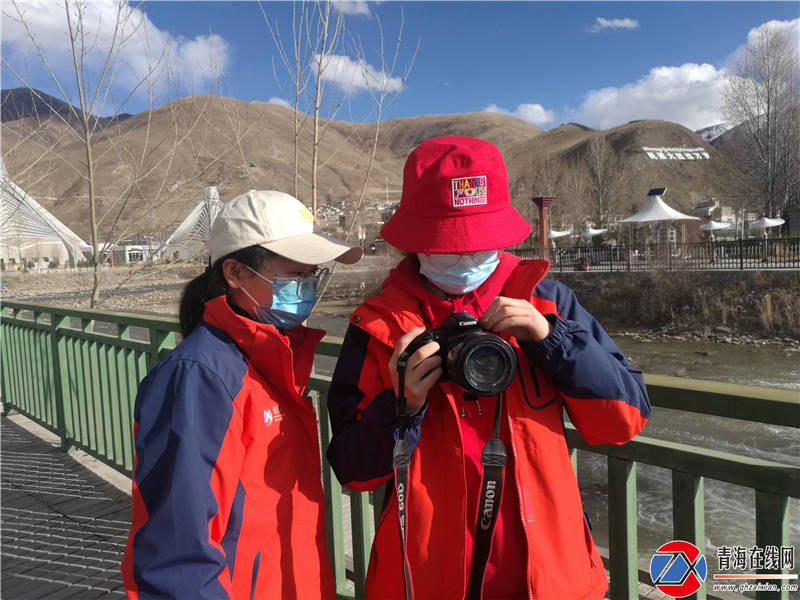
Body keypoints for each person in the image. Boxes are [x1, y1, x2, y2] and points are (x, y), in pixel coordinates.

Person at [325, 137, 651, 600]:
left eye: (479, 243)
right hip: (427, 582)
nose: (464, 256)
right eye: (447, 244)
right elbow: (355, 472)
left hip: (551, 578)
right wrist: (401, 409)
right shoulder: (376, 325)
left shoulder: (548, 303)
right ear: (416, 244)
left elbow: (625, 420)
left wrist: (552, 340)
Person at [121, 190, 362, 599]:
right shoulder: (198, 378)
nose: (306, 288)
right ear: (234, 272)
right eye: (294, 276)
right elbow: (179, 552)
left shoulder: (273, 359)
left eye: (312, 276)